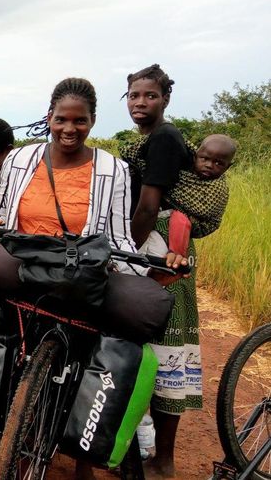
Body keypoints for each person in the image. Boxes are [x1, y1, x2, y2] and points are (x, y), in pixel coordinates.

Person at [0, 77, 187, 480]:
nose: (70, 129)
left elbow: (119, 235)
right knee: (14, 351)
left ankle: (84, 459)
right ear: (49, 117)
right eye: (62, 119)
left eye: (80, 121)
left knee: (93, 359)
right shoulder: (20, 160)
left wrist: (148, 267)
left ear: (93, 121)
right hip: (26, 268)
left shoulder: (114, 169)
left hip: (78, 275)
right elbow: (3, 214)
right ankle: (18, 428)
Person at [121, 64, 200, 479]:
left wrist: (124, 251)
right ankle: (142, 451)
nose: (140, 102)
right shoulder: (151, 139)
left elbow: (149, 206)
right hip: (157, 245)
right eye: (134, 95)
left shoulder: (164, 138)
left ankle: (164, 462)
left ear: (165, 99)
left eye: (149, 95)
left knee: (168, 352)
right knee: (148, 346)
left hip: (165, 250)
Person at [125, 133, 235, 257]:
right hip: (153, 220)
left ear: (228, 167)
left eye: (219, 163)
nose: (209, 165)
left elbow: (204, 211)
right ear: (195, 155)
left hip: (195, 224)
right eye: (204, 159)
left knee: (179, 220)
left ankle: (176, 255)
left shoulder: (216, 188)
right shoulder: (181, 166)